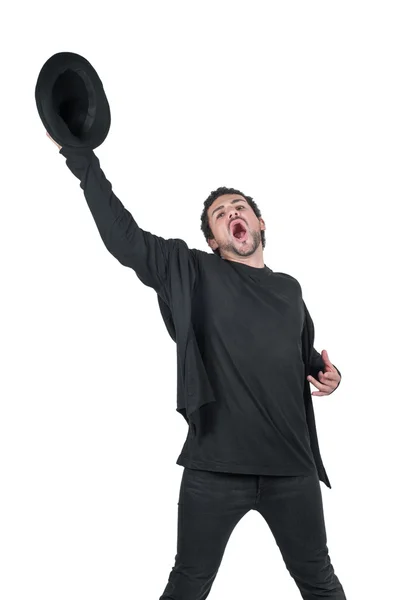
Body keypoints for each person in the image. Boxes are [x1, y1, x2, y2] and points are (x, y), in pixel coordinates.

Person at [47, 132, 347, 599]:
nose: (232, 214)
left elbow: (304, 356)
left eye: (239, 207)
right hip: (214, 467)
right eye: (220, 214)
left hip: (292, 468)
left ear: (260, 222)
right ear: (213, 238)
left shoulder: (290, 289)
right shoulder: (189, 270)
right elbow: (123, 237)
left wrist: (331, 376)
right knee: (189, 581)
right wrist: (80, 155)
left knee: (319, 580)